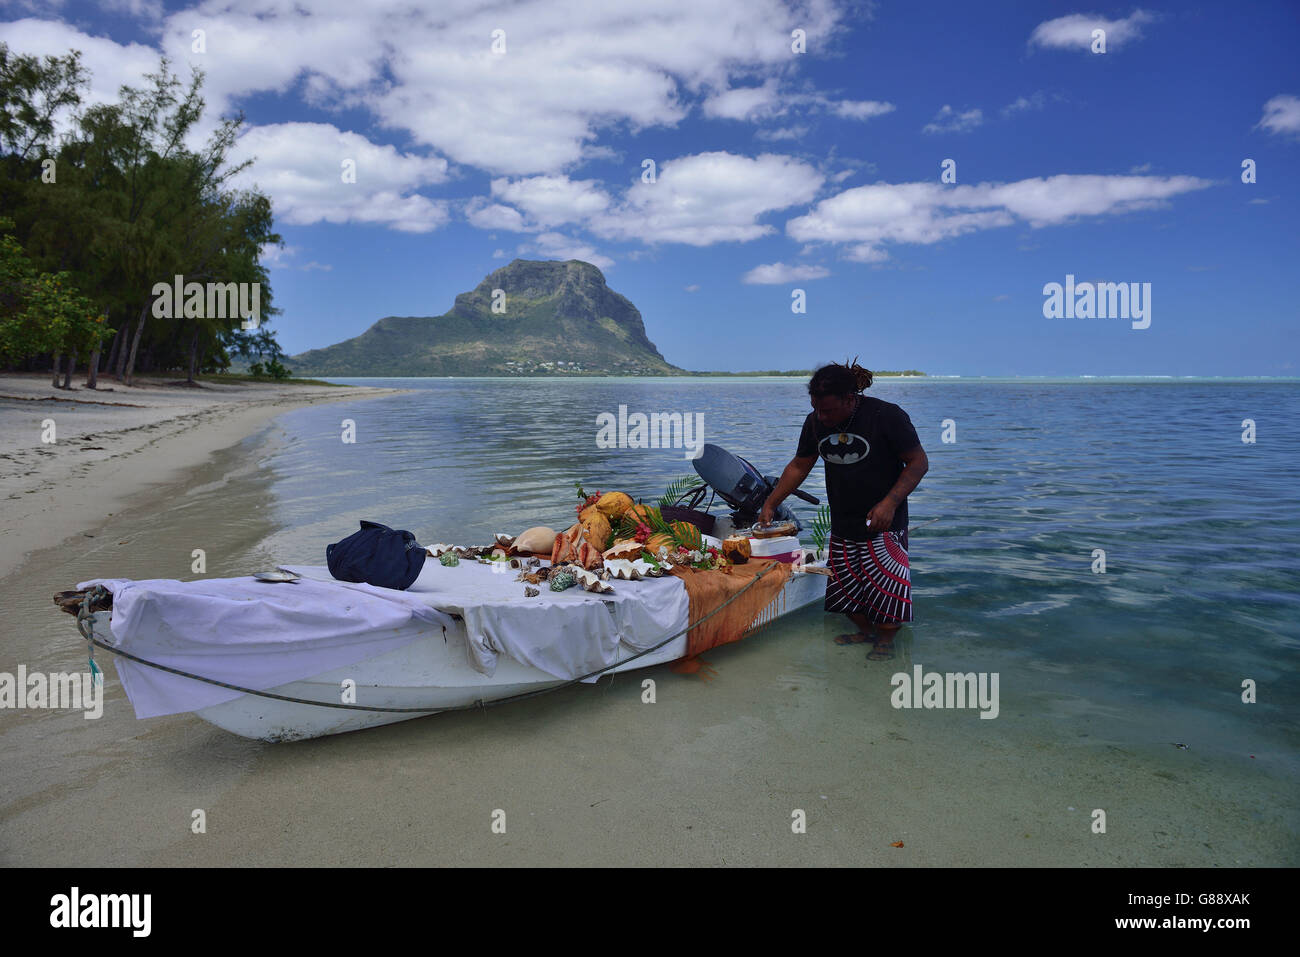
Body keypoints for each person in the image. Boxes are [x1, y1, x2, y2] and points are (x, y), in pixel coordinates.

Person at [760, 359, 928, 660]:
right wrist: (771, 502)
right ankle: (865, 631)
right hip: (844, 520)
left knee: (884, 588)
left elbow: (918, 462)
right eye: (816, 408)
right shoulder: (815, 422)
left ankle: (886, 640)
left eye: (828, 410)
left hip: (885, 521)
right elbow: (800, 465)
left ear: (851, 399)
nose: (822, 417)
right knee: (848, 589)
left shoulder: (886, 416)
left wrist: (889, 503)